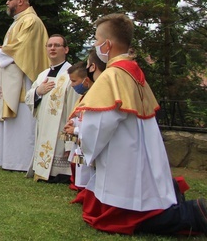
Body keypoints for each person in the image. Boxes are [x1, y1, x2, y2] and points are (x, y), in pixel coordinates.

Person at [71, 13, 207, 235]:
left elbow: (99, 125)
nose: (95, 45)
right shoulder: (133, 71)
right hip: (140, 149)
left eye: (97, 40)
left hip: (123, 154)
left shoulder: (111, 76)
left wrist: (87, 149)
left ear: (108, 44)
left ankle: (194, 214)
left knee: (127, 216)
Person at [0, 0, 49, 171]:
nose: (7, 3)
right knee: (13, 120)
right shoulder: (20, 21)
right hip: (13, 76)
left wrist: (0, 51)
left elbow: (22, 47)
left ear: (21, 1)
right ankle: (8, 160)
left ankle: (21, 161)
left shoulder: (30, 21)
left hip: (23, 80)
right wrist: (2, 50)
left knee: (23, 119)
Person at [24, 34, 78, 182]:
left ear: (66, 49)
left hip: (61, 129)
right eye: (49, 45)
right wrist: (38, 92)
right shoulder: (42, 75)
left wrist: (70, 144)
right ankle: (41, 170)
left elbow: (75, 110)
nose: (52, 48)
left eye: (57, 45)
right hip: (44, 126)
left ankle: (59, 173)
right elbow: (28, 98)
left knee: (59, 173)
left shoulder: (71, 75)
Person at [64, 51, 106, 191]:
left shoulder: (96, 97)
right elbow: (80, 117)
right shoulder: (85, 96)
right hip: (81, 140)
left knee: (88, 170)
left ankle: (87, 190)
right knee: (79, 166)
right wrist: (73, 123)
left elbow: (94, 124)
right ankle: (81, 187)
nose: (72, 85)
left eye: (74, 81)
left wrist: (75, 130)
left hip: (86, 140)